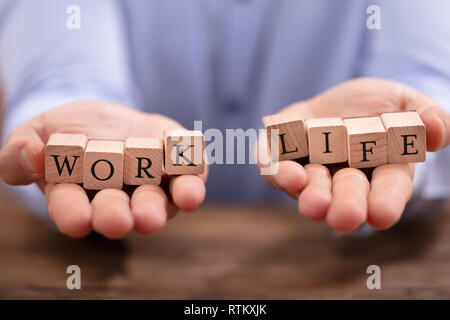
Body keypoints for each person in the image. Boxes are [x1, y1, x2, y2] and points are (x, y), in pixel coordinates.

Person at [0, 0, 449, 239]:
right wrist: (68, 123)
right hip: (139, 257)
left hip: (340, 256)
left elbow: (424, 80)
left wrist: (407, 130)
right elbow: (64, 77)